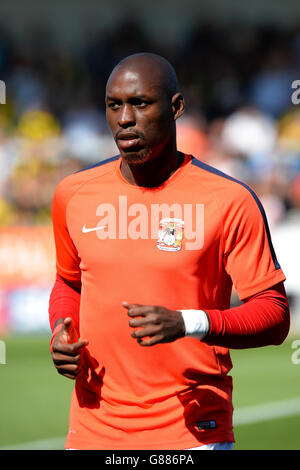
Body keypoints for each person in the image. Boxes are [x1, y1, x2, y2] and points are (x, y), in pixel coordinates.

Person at [48, 52, 290, 451]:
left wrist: (188, 323)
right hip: (93, 432)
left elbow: (275, 315)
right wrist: (61, 327)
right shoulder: (73, 194)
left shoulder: (228, 200)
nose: (125, 118)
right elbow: (68, 282)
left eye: (140, 103)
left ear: (175, 107)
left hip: (193, 432)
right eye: (114, 105)